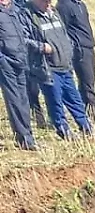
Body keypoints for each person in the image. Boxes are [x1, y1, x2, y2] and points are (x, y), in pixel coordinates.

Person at [23, 0, 92, 140]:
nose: (49, 3)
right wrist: (41, 47)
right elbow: (23, 40)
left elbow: (64, 35)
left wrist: (69, 49)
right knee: (55, 102)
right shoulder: (28, 15)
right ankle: (63, 131)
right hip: (48, 69)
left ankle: (87, 128)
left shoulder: (54, 12)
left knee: (75, 100)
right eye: (46, 1)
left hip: (65, 66)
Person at [54, 0, 95, 123]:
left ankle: (89, 109)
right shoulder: (63, 5)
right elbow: (62, 29)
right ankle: (94, 114)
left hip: (89, 46)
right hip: (79, 49)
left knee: (90, 80)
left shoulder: (80, 4)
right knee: (86, 82)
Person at [0, 0, 34, 149]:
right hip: (6, 62)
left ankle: (28, 133)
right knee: (14, 99)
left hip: (21, 60)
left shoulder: (16, 8)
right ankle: (23, 139)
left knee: (23, 98)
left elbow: (23, 33)